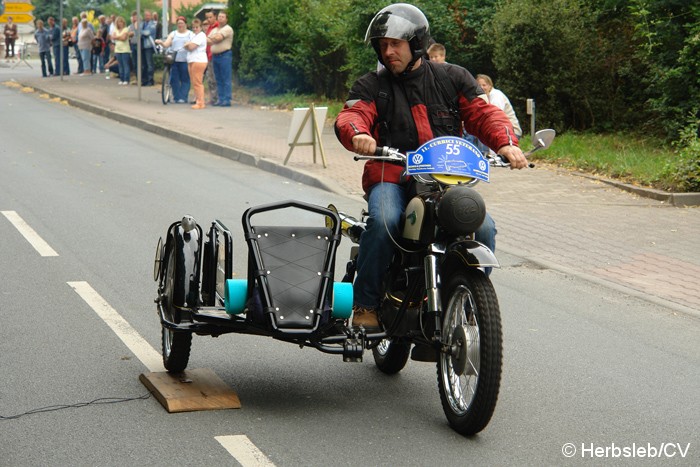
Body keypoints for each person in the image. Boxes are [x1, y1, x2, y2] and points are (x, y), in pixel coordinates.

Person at [334, 3, 527, 330]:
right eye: (383, 45)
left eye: (395, 43)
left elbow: (484, 114)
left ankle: (462, 300)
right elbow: (352, 115)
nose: (388, 51)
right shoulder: (372, 85)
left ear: (417, 43)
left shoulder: (453, 78)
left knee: (484, 227)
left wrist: (506, 142)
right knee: (384, 222)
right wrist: (359, 134)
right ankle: (365, 304)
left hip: (445, 179)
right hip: (392, 176)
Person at [155, 17, 193, 103]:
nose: (180, 25)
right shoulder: (173, 34)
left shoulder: (190, 34)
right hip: (174, 59)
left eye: (182, 23)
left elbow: (193, 45)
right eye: (179, 23)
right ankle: (177, 97)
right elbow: (167, 44)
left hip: (185, 59)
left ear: (185, 24)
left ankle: (183, 97)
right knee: (174, 79)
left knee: (185, 79)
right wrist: (161, 43)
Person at [476, 74, 523, 140]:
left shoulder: (496, 96)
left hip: (510, 132)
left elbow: (494, 118)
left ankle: (485, 151)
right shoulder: (484, 97)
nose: (481, 88)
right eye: (479, 85)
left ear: (490, 86)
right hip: (500, 130)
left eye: (484, 85)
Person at [207, 11, 234, 107]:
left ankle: (227, 99)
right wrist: (212, 38)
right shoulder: (214, 29)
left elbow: (218, 38)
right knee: (218, 79)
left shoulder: (228, 29)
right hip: (215, 56)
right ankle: (221, 98)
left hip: (225, 55)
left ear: (226, 19)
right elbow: (208, 41)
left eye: (223, 17)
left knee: (225, 78)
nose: (220, 18)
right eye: (219, 16)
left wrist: (212, 38)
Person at [184, 18, 208, 110]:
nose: (195, 29)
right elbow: (188, 46)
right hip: (192, 60)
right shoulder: (193, 36)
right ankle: (198, 99)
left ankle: (200, 102)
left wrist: (187, 45)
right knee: (194, 82)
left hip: (199, 60)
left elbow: (191, 47)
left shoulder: (201, 36)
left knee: (198, 82)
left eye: (197, 27)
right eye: (193, 27)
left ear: (200, 27)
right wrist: (187, 45)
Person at [204, 9, 219, 105]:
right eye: (207, 17)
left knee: (214, 78)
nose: (209, 19)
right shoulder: (209, 28)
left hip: (214, 55)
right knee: (209, 78)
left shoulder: (217, 27)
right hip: (207, 56)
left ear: (215, 17)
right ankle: (212, 98)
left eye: (210, 17)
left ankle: (216, 98)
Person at [111, 16, 131, 85]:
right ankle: (121, 78)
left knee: (125, 64)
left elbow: (124, 38)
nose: (120, 23)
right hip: (118, 49)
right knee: (120, 65)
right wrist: (119, 37)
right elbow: (113, 37)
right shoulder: (115, 30)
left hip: (125, 49)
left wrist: (117, 37)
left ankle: (126, 79)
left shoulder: (126, 29)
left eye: (121, 22)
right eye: (119, 22)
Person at [140, 9, 157, 86]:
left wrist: (141, 32)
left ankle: (150, 80)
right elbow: (138, 32)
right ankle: (144, 80)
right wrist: (141, 32)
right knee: (143, 64)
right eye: (145, 15)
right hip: (142, 46)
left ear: (150, 16)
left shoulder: (153, 24)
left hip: (149, 46)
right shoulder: (142, 24)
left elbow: (147, 33)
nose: (147, 17)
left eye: (148, 15)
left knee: (149, 64)